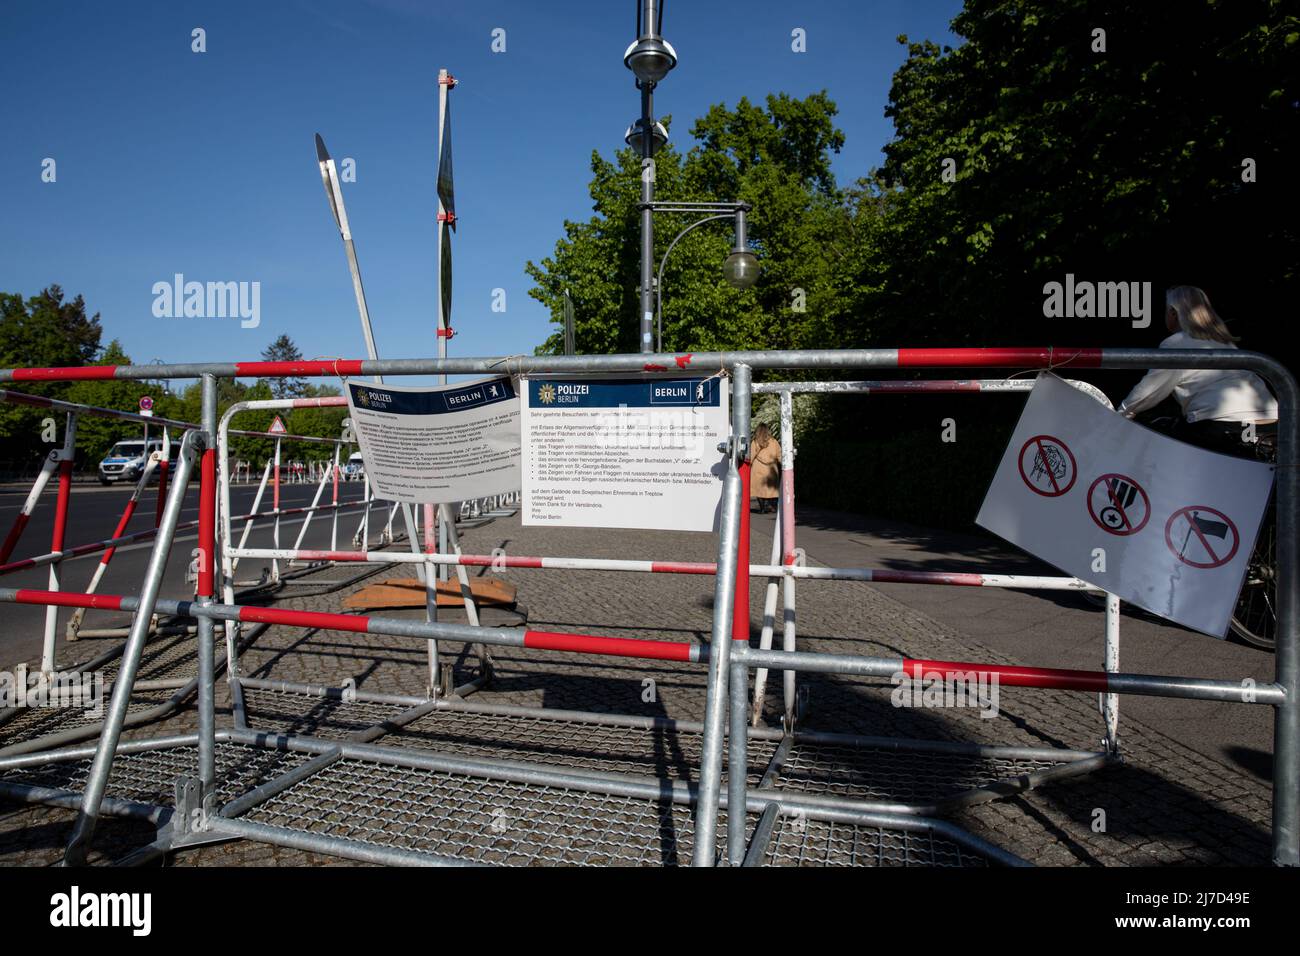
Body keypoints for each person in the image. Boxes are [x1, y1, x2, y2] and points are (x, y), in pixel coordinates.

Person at [1119, 286, 1277, 455]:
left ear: (1172, 313)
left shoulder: (1176, 343)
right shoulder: (1224, 342)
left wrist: (1121, 414)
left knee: (1165, 456)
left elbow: (1149, 392)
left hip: (1224, 423)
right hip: (1271, 422)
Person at [749, 423, 781, 514]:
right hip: (771, 468)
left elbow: (751, 456)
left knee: (759, 490)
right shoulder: (774, 441)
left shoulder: (755, 442)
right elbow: (779, 454)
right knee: (771, 489)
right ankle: (771, 505)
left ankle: (762, 508)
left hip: (758, 468)